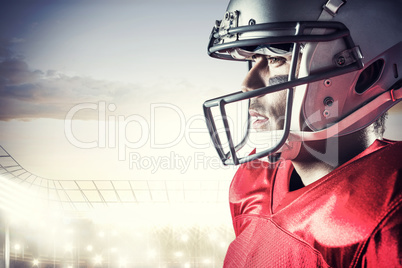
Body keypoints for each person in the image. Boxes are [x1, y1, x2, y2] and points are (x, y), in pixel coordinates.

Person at [202, 0, 402, 267]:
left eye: (275, 58)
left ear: (366, 74)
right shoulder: (254, 181)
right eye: (252, 60)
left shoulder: (388, 214)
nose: (247, 84)